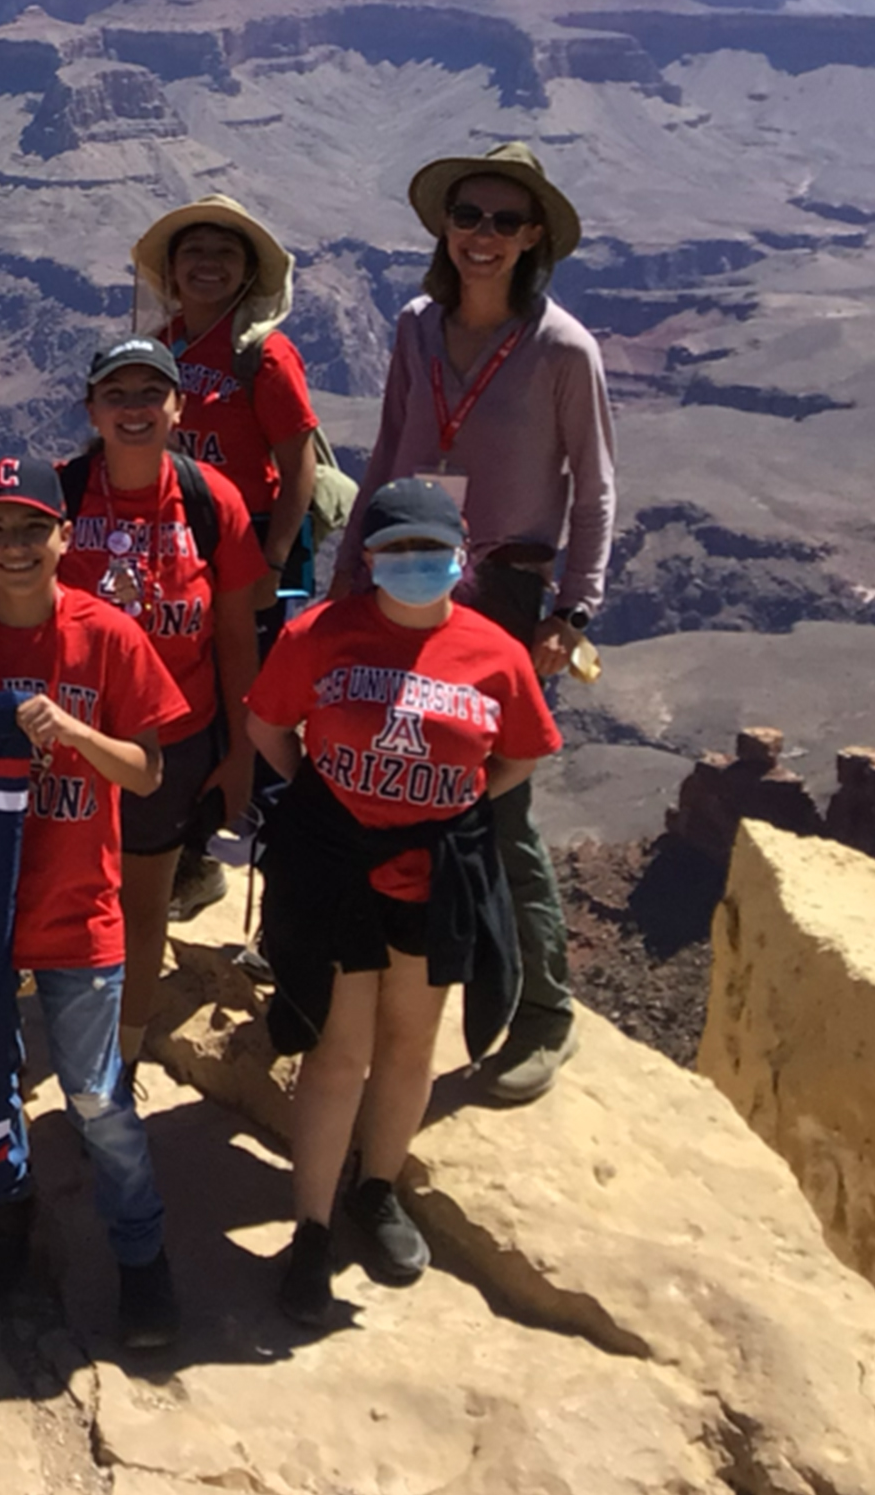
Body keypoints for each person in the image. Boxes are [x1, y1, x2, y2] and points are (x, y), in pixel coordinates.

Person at [332, 142, 615, 1105]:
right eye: (468, 217)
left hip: (500, 597)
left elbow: (597, 494)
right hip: (398, 580)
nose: (482, 236)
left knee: (498, 803)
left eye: (503, 220)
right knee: (369, 770)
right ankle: (355, 972)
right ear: (442, 229)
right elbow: (388, 454)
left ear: (533, 236)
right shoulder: (416, 327)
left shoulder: (563, 349)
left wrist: (571, 611)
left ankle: (543, 1013)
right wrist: (344, 574)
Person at [246, 478, 561, 1323]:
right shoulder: (322, 634)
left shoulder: (494, 652)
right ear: (371, 558)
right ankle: (310, 1228)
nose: (416, 565)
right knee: (339, 1048)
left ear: (461, 555)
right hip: (340, 866)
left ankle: (376, 1190)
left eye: (432, 550)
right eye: (397, 551)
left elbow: (521, 754)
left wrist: (448, 809)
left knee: (411, 1042)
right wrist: (322, 802)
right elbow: (269, 727)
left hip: (433, 870)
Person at [0, 457, 190, 1350]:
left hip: (78, 906)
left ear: (66, 536)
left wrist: (70, 731)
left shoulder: (108, 639)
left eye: (33, 528)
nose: (15, 547)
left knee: (98, 1098)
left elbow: (146, 772)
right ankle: (6, 1228)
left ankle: (143, 1261)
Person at [56, 337, 271, 1072]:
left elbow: (237, 637)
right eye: (117, 393)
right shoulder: (61, 492)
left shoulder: (213, 501)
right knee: (64, 894)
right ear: (92, 408)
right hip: (73, 736)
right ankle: (58, 1024)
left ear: (179, 407)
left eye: (152, 392)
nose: (135, 408)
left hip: (172, 739)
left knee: (143, 903)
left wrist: (240, 753)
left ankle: (120, 1051)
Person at [130, 194, 321, 919]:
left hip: (254, 550)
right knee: (190, 709)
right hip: (181, 553)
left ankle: (283, 913)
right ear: (174, 271)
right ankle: (192, 863)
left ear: (246, 273)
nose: (208, 264)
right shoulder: (165, 343)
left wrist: (274, 560)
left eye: (225, 253)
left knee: (261, 716)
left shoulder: (262, 353)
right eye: (194, 252)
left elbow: (296, 458)